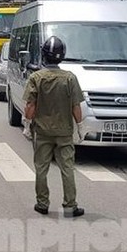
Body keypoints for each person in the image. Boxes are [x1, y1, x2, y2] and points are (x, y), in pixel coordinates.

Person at [23, 36, 85, 218]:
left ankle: (42, 203)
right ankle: (70, 205)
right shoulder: (70, 78)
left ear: (43, 55)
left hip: (42, 132)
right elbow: (76, 106)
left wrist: (27, 124)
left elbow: (30, 106)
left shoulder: (36, 77)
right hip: (64, 132)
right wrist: (80, 126)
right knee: (67, 169)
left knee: (41, 168)